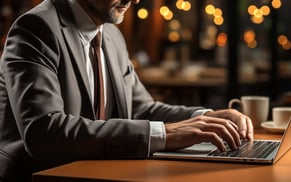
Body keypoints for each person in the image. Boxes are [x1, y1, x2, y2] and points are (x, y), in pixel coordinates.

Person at [0, 0, 254, 181]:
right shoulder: (36, 28)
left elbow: (142, 108)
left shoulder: (111, 34)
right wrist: (165, 134)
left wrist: (207, 118)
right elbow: (45, 133)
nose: (134, 0)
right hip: (39, 175)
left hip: (95, 172)